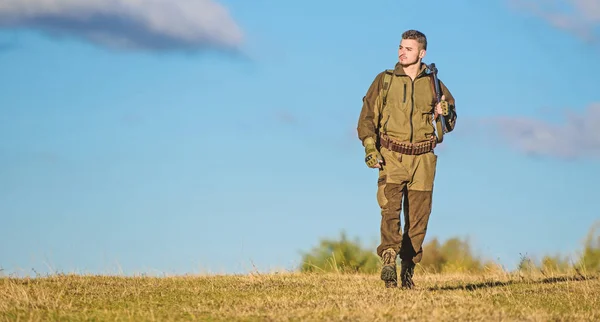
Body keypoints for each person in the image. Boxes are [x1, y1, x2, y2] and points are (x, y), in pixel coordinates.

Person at [356, 30, 457, 289]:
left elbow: (450, 122)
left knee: (419, 219)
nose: (402, 52)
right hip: (392, 155)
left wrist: (444, 113)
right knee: (390, 211)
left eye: (408, 49)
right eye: (400, 47)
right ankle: (388, 257)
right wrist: (370, 147)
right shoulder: (385, 80)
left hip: (423, 158)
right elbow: (367, 118)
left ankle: (408, 270)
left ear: (421, 54)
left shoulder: (434, 83)